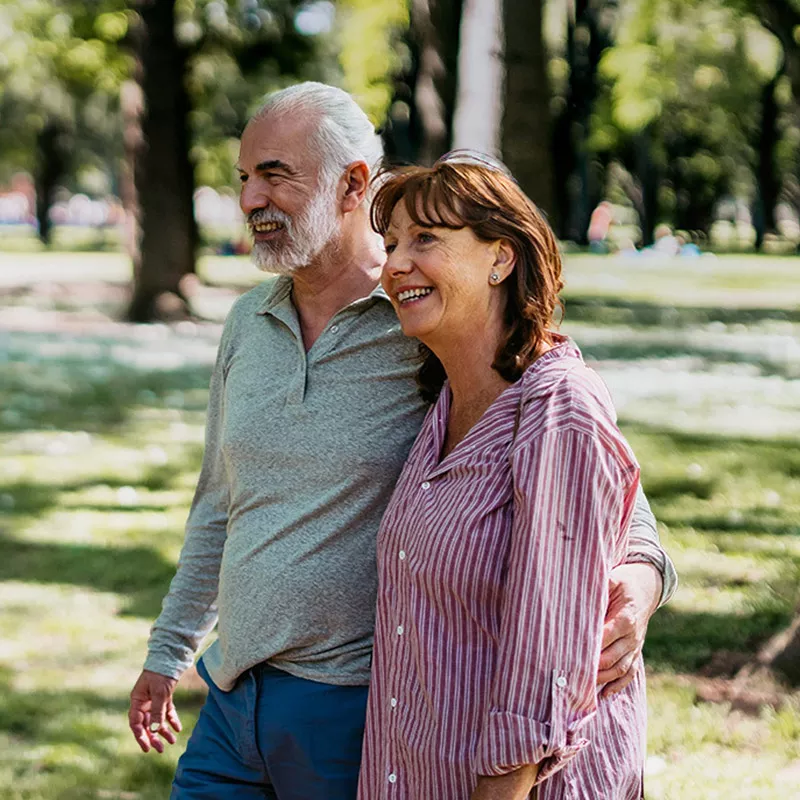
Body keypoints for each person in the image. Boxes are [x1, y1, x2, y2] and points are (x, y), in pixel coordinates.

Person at [127, 84, 676, 798]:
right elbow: (218, 503)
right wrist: (168, 651)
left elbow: (587, 469)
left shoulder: (429, 320)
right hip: (234, 694)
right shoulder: (247, 325)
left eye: (274, 174)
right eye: (243, 178)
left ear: (353, 182)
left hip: (356, 705)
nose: (250, 200)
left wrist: (642, 575)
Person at [358, 153, 650, 799]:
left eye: (426, 238)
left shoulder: (559, 408)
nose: (396, 263)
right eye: (390, 244)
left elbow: (546, 665)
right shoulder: (442, 407)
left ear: (501, 258)